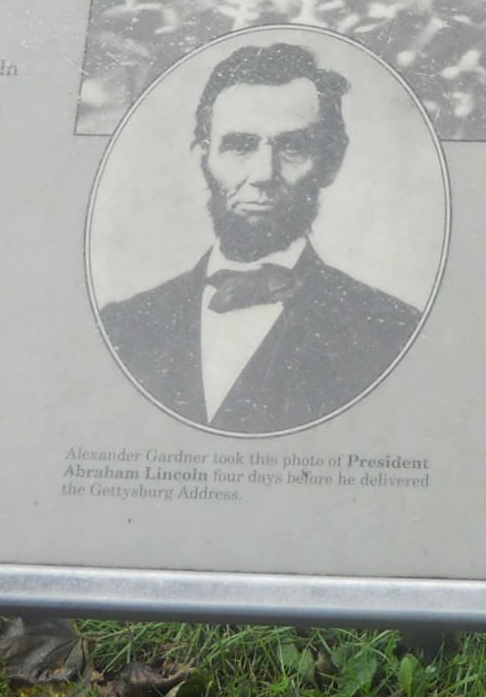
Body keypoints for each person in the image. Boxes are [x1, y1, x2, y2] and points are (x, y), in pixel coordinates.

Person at [99, 41, 421, 433]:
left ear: (331, 162)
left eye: (292, 148)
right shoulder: (122, 327)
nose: (264, 174)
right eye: (239, 146)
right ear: (203, 158)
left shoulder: (392, 333)